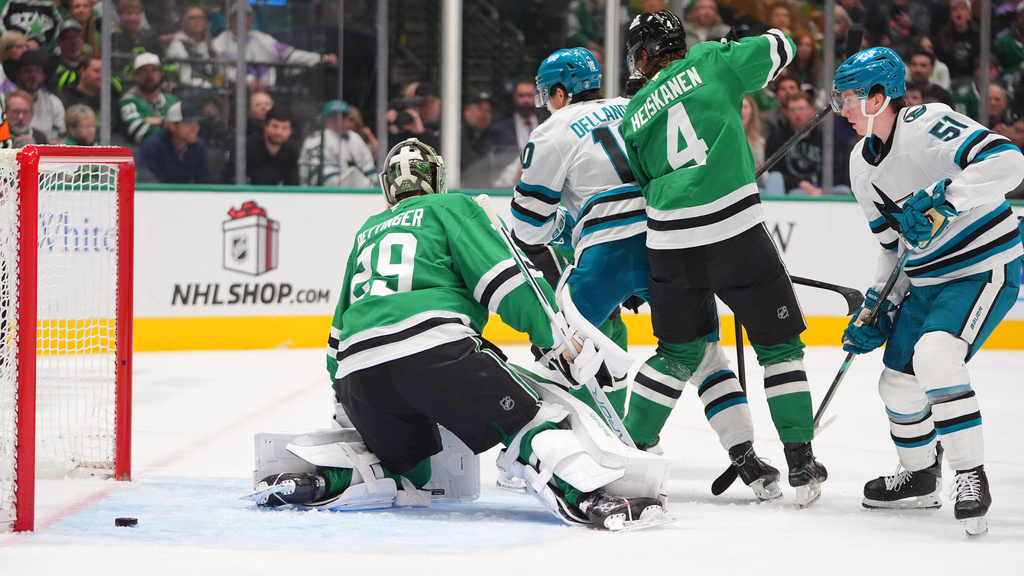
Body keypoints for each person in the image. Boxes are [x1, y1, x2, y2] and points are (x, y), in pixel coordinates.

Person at [247, 137, 670, 531]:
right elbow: (508, 282)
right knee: (536, 416)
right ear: (436, 177)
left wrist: (348, 403)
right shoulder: (451, 207)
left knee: (409, 471)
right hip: (435, 352)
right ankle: (589, 495)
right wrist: (555, 339)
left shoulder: (367, 231)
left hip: (359, 375)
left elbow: (337, 337)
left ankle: (323, 480)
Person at [512, 46, 782, 501]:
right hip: (669, 243)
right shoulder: (635, 106)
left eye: (547, 94)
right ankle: (747, 456)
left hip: (606, 255)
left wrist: (568, 227)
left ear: (559, 93)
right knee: (704, 356)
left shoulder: (551, 131)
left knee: (556, 351)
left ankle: (540, 454)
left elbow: (527, 228)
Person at [621, 10, 828, 506]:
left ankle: (628, 452)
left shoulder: (633, 114)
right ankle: (800, 459)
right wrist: (742, 45)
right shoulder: (713, 59)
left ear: (646, 54)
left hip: (669, 242)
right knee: (779, 347)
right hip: (735, 233)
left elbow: (646, 181)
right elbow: (783, 45)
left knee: (677, 355)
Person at [832, 46, 1024, 537]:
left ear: (879, 97)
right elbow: (892, 246)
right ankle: (920, 476)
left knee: (936, 356)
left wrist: (946, 200)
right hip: (925, 281)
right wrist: (877, 305)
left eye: (848, 98)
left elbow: (1008, 161)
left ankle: (970, 475)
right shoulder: (859, 164)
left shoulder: (928, 123)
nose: (843, 109)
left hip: (982, 266)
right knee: (896, 384)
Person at [212, 3, 338, 92]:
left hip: (268, 93)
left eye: (248, 16)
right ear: (231, 20)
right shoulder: (220, 43)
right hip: (234, 93)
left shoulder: (263, 39)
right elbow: (226, 69)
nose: (244, 20)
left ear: (252, 20)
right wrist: (249, 80)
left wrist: (322, 58)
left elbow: (290, 55)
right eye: (238, 16)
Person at [299, 99, 375, 187]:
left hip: (356, 192)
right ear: (325, 120)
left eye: (343, 117)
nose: (339, 121)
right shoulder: (316, 140)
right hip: (319, 193)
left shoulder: (355, 138)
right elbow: (324, 181)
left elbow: (370, 172)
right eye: (334, 118)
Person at [136, 100, 213, 183]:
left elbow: (205, 181)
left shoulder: (199, 146)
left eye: (196, 124)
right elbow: (147, 181)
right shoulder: (153, 145)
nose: (195, 129)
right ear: (172, 126)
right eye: (188, 123)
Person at [229, 103, 299, 186]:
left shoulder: (291, 153)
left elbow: (292, 185)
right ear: (265, 127)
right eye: (275, 126)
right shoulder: (247, 148)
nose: (279, 132)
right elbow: (230, 179)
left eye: (284, 128)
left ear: (290, 131)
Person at [118, 52, 178, 144]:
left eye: (154, 70)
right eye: (144, 71)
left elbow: (186, 130)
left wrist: (157, 122)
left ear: (160, 74)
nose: (149, 75)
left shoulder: (173, 101)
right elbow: (138, 133)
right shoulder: (128, 101)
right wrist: (167, 124)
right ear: (136, 76)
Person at [3, 49, 64, 138]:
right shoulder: (3, 100)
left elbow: (60, 135)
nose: (33, 75)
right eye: (27, 70)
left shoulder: (53, 102)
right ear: (18, 74)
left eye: (37, 70)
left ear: (44, 75)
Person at [163, 6, 217, 89]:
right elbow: (177, 76)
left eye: (200, 18)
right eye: (192, 18)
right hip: (188, 89)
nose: (197, 21)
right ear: (186, 22)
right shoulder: (178, 43)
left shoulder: (210, 45)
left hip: (211, 88)